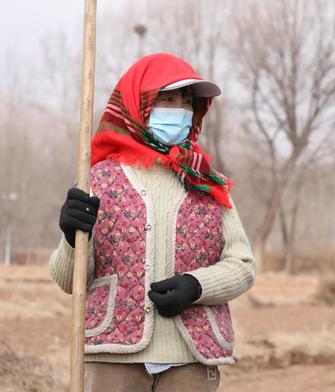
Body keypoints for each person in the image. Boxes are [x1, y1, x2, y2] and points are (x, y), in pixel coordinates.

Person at [49, 53, 256, 391]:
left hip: (190, 361)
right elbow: (69, 281)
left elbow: (243, 265)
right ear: (139, 105)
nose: (180, 111)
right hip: (113, 360)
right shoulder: (96, 179)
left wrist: (197, 286)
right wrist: (71, 240)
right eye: (168, 99)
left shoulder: (209, 183)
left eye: (188, 102)